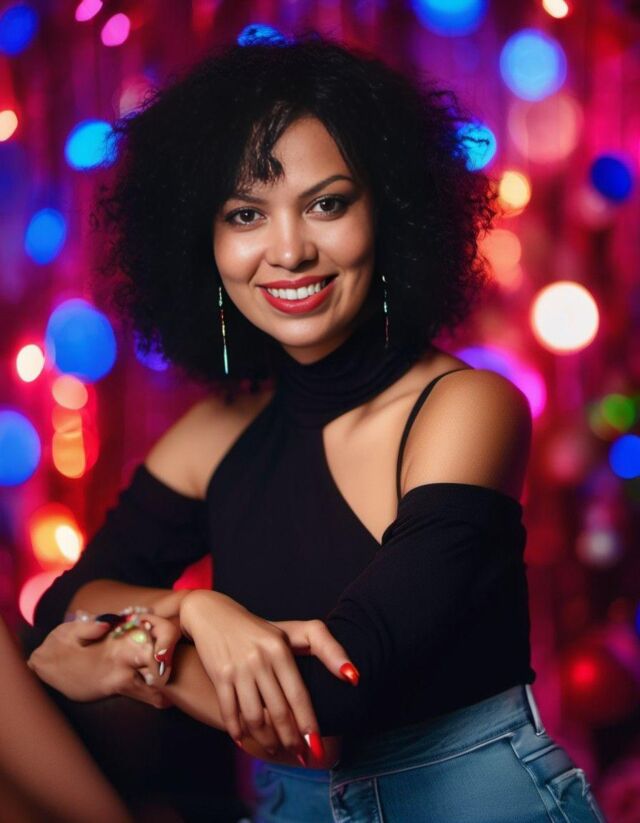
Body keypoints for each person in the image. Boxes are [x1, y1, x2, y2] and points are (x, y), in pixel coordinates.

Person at [25, 32, 607, 822]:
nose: (291, 250)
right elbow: (64, 603)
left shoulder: (468, 405)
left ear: (390, 212)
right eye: (245, 214)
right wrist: (197, 612)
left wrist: (128, 654)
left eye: (327, 203)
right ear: (204, 243)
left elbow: (332, 693)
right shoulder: (211, 435)